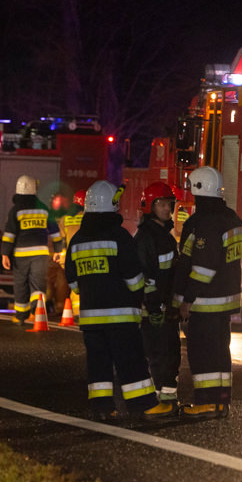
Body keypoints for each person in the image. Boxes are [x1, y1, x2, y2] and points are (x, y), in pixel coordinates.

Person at [65, 180, 175, 422]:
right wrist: (140, 295)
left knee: (98, 365)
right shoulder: (119, 236)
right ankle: (144, 405)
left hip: (91, 318)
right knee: (131, 362)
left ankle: (103, 408)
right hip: (121, 316)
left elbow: (72, 283)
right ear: (112, 206)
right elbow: (134, 279)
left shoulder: (78, 240)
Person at [173, 166, 242, 419]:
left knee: (202, 353)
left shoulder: (203, 223)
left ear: (198, 190)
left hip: (204, 301)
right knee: (220, 351)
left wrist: (186, 300)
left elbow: (202, 267)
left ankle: (206, 402)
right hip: (224, 302)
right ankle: (221, 401)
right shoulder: (231, 218)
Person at [134, 182, 181, 410]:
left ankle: (168, 398)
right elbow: (146, 277)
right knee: (158, 355)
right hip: (154, 310)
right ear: (150, 207)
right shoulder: (145, 238)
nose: (167, 209)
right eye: (161, 204)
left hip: (167, 308)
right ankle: (156, 400)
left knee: (171, 354)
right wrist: (153, 308)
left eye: (169, 204)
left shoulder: (165, 236)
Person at [1, 175, 63, 324]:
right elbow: (55, 231)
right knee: (38, 284)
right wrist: (58, 250)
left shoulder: (15, 210)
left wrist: (4, 254)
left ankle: (21, 316)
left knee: (21, 284)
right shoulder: (43, 209)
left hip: (21, 255)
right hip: (40, 254)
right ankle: (37, 313)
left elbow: (10, 234)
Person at [54, 189, 87, 317]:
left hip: (69, 257)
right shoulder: (88, 218)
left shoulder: (65, 219)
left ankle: (63, 307)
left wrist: (61, 255)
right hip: (84, 255)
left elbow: (61, 239)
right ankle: (79, 311)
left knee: (69, 282)